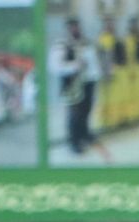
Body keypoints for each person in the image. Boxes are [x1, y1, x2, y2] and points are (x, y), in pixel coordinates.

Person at [56, 21, 95, 155]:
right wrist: (75, 65)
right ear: (67, 29)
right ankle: (74, 142)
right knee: (74, 115)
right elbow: (56, 66)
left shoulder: (85, 42)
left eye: (77, 27)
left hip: (87, 82)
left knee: (86, 111)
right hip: (71, 84)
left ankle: (84, 135)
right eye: (72, 28)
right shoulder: (61, 45)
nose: (75, 30)